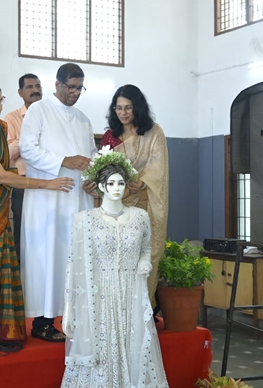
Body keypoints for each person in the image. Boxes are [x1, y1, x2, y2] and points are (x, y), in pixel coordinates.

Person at [0, 79, 74, 345]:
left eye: (1, 102)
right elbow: (1, 175)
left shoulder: (0, 127)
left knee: (2, 264)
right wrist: (47, 184)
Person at [61, 157, 168, 387]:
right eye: (110, 183)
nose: (116, 188)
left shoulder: (140, 217)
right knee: (104, 346)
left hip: (132, 293)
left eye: (120, 183)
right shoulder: (85, 220)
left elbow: (146, 248)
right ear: (101, 186)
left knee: (134, 344)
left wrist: (145, 262)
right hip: (100, 297)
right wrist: (69, 309)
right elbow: (73, 265)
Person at [19, 63, 96, 342]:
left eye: (80, 88)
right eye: (72, 87)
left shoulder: (83, 119)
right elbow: (27, 149)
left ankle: (73, 318)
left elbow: (92, 156)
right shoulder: (39, 111)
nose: (76, 93)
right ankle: (43, 321)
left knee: (75, 257)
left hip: (79, 198)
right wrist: (64, 160)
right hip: (48, 200)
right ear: (58, 85)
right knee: (49, 256)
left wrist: (93, 178)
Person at [100, 84, 169, 298]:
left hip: (147, 202)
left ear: (137, 107)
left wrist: (142, 181)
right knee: (121, 254)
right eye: (118, 108)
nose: (123, 113)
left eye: (128, 107)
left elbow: (158, 165)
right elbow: (105, 171)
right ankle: (120, 306)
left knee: (147, 254)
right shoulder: (110, 136)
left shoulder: (153, 132)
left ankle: (144, 306)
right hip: (119, 206)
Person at [4, 74, 42, 262]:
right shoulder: (11, 118)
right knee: (23, 230)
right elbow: (9, 152)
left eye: (38, 86)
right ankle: (22, 274)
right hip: (23, 183)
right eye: (29, 87)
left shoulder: (49, 115)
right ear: (20, 92)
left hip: (47, 181)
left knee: (45, 230)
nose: (35, 90)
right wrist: (29, 137)